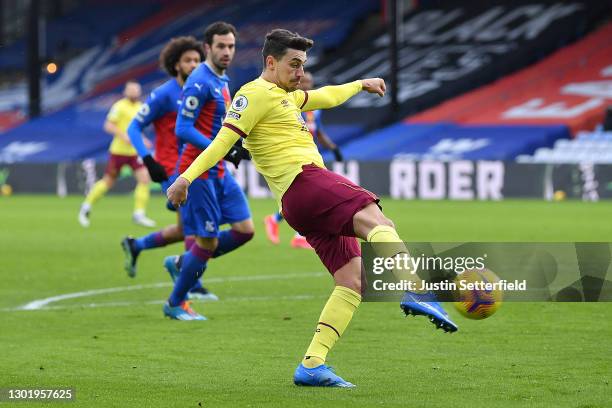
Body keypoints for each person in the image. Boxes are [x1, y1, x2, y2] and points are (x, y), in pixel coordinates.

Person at [167, 29, 458, 386]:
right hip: (304, 182)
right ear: (270, 62)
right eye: (294, 64)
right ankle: (415, 287)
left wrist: (360, 84)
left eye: (302, 64)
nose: (300, 72)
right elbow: (221, 142)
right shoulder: (254, 94)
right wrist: (186, 178)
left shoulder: (285, 96)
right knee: (378, 220)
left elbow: (324, 96)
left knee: (352, 281)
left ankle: (312, 364)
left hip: (299, 203)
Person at [163, 21, 254, 320]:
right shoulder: (199, 81)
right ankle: (176, 303)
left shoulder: (221, 80)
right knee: (208, 241)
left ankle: (184, 263)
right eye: (221, 46)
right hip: (198, 173)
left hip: (219, 172)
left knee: (244, 231)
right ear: (207, 48)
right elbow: (183, 128)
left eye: (231, 46)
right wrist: (222, 149)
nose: (227, 52)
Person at [118, 37, 216, 301]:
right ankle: (192, 285)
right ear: (176, 65)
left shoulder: (202, 90)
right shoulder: (164, 94)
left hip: (195, 164)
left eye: (197, 60)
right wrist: (148, 160)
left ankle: (136, 245)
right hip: (171, 168)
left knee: (186, 227)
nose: (194, 64)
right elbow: (133, 128)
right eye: (188, 60)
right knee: (195, 225)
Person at [263, 71, 343, 249]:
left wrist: (334, 148)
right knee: (307, 195)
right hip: (293, 157)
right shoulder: (289, 103)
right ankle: (296, 234)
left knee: (308, 196)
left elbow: (319, 133)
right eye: (304, 81)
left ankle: (278, 222)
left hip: (310, 156)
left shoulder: (315, 110)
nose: (306, 85)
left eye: (310, 82)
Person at [78, 80, 155, 228]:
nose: (134, 92)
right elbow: (108, 125)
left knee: (145, 179)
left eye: (136, 90)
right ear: (125, 92)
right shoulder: (119, 106)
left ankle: (139, 214)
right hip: (118, 151)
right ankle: (86, 206)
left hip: (134, 152)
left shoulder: (141, 108)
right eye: (131, 90)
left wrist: (143, 140)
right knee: (108, 181)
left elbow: (136, 129)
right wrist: (123, 136)